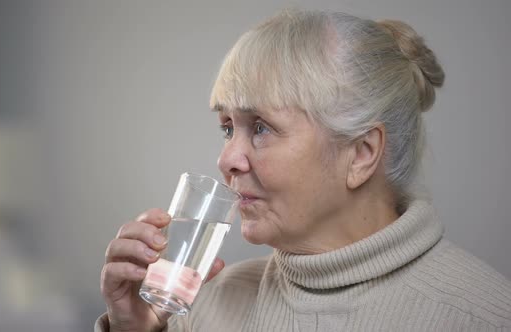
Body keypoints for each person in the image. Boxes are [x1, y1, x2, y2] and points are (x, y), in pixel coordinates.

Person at [96, 9, 511, 331]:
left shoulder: (484, 317)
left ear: (362, 154)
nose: (227, 160)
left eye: (261, 127)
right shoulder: (200, 307)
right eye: (228, 128)